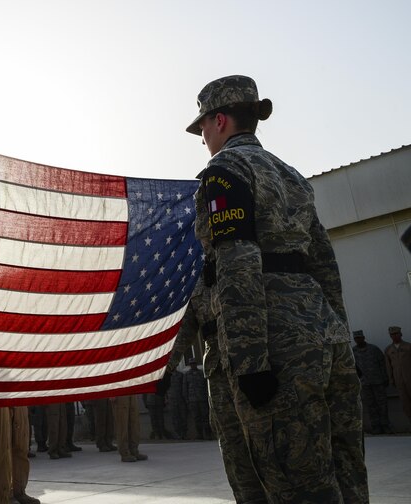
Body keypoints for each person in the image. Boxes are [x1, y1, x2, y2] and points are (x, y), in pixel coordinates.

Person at [187, 75, 368, 503]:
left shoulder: (225, 171)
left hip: (273, 346)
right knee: (345, 472)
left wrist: (250, 362)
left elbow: (236, 262)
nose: (203, 139)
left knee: (284, 480)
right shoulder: (292, 176)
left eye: (204, 129)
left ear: (221, 120)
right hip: (324, 338)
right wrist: (340, 340)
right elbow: (324, 264)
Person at [171, 280, 266, 503]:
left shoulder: (248, 256)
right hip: (218, 372)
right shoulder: (196, 278)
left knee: (269, 443)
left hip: (255, 363)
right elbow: (185, 328)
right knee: (233, 449)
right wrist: (165, 368)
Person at [352, 330, 391, 434]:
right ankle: (376, 426)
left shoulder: (374, 349)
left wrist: (385, 378)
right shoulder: (353, 352)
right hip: (364, 383)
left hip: (378, 381)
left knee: (382, 404)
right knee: (371, 405)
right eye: (356, 338)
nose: (358, 340)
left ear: (364, 337)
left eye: (359, 337)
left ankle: (385, 425)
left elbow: (382, 364)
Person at [9, 406, 41, 504]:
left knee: (21, 449)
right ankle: (6, 495)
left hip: (19, 401)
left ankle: (19, 492)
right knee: (2, 453)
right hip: (3, 401)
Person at [385, 326, 411, 424]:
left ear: (400, 334)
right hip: (399, 380)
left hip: (409, 378)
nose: (394, 336)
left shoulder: (408, 347)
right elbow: (388, 366)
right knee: (405, 403)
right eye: (392, 334)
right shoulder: (388, 349)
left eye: (396, 333)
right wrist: (391, 380)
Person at [183, 358, 213, 440]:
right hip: (192, 400)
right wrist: (187, 400)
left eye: (194, 363)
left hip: (202, 399)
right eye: (191, 364)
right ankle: (199, 434)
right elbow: (185, 388)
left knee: (205, 417)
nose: (193, 365)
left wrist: (208, 397)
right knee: (196, 418)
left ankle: (208, 434)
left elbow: (206, 386)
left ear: (196, 364)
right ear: (190, 365)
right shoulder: (186, 375)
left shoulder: (201, 373)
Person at [113, 395, 147, 463]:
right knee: (122, 423)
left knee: (134, 421)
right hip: (119, 390)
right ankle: (125, 452)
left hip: (131, 390)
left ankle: (134, 450)